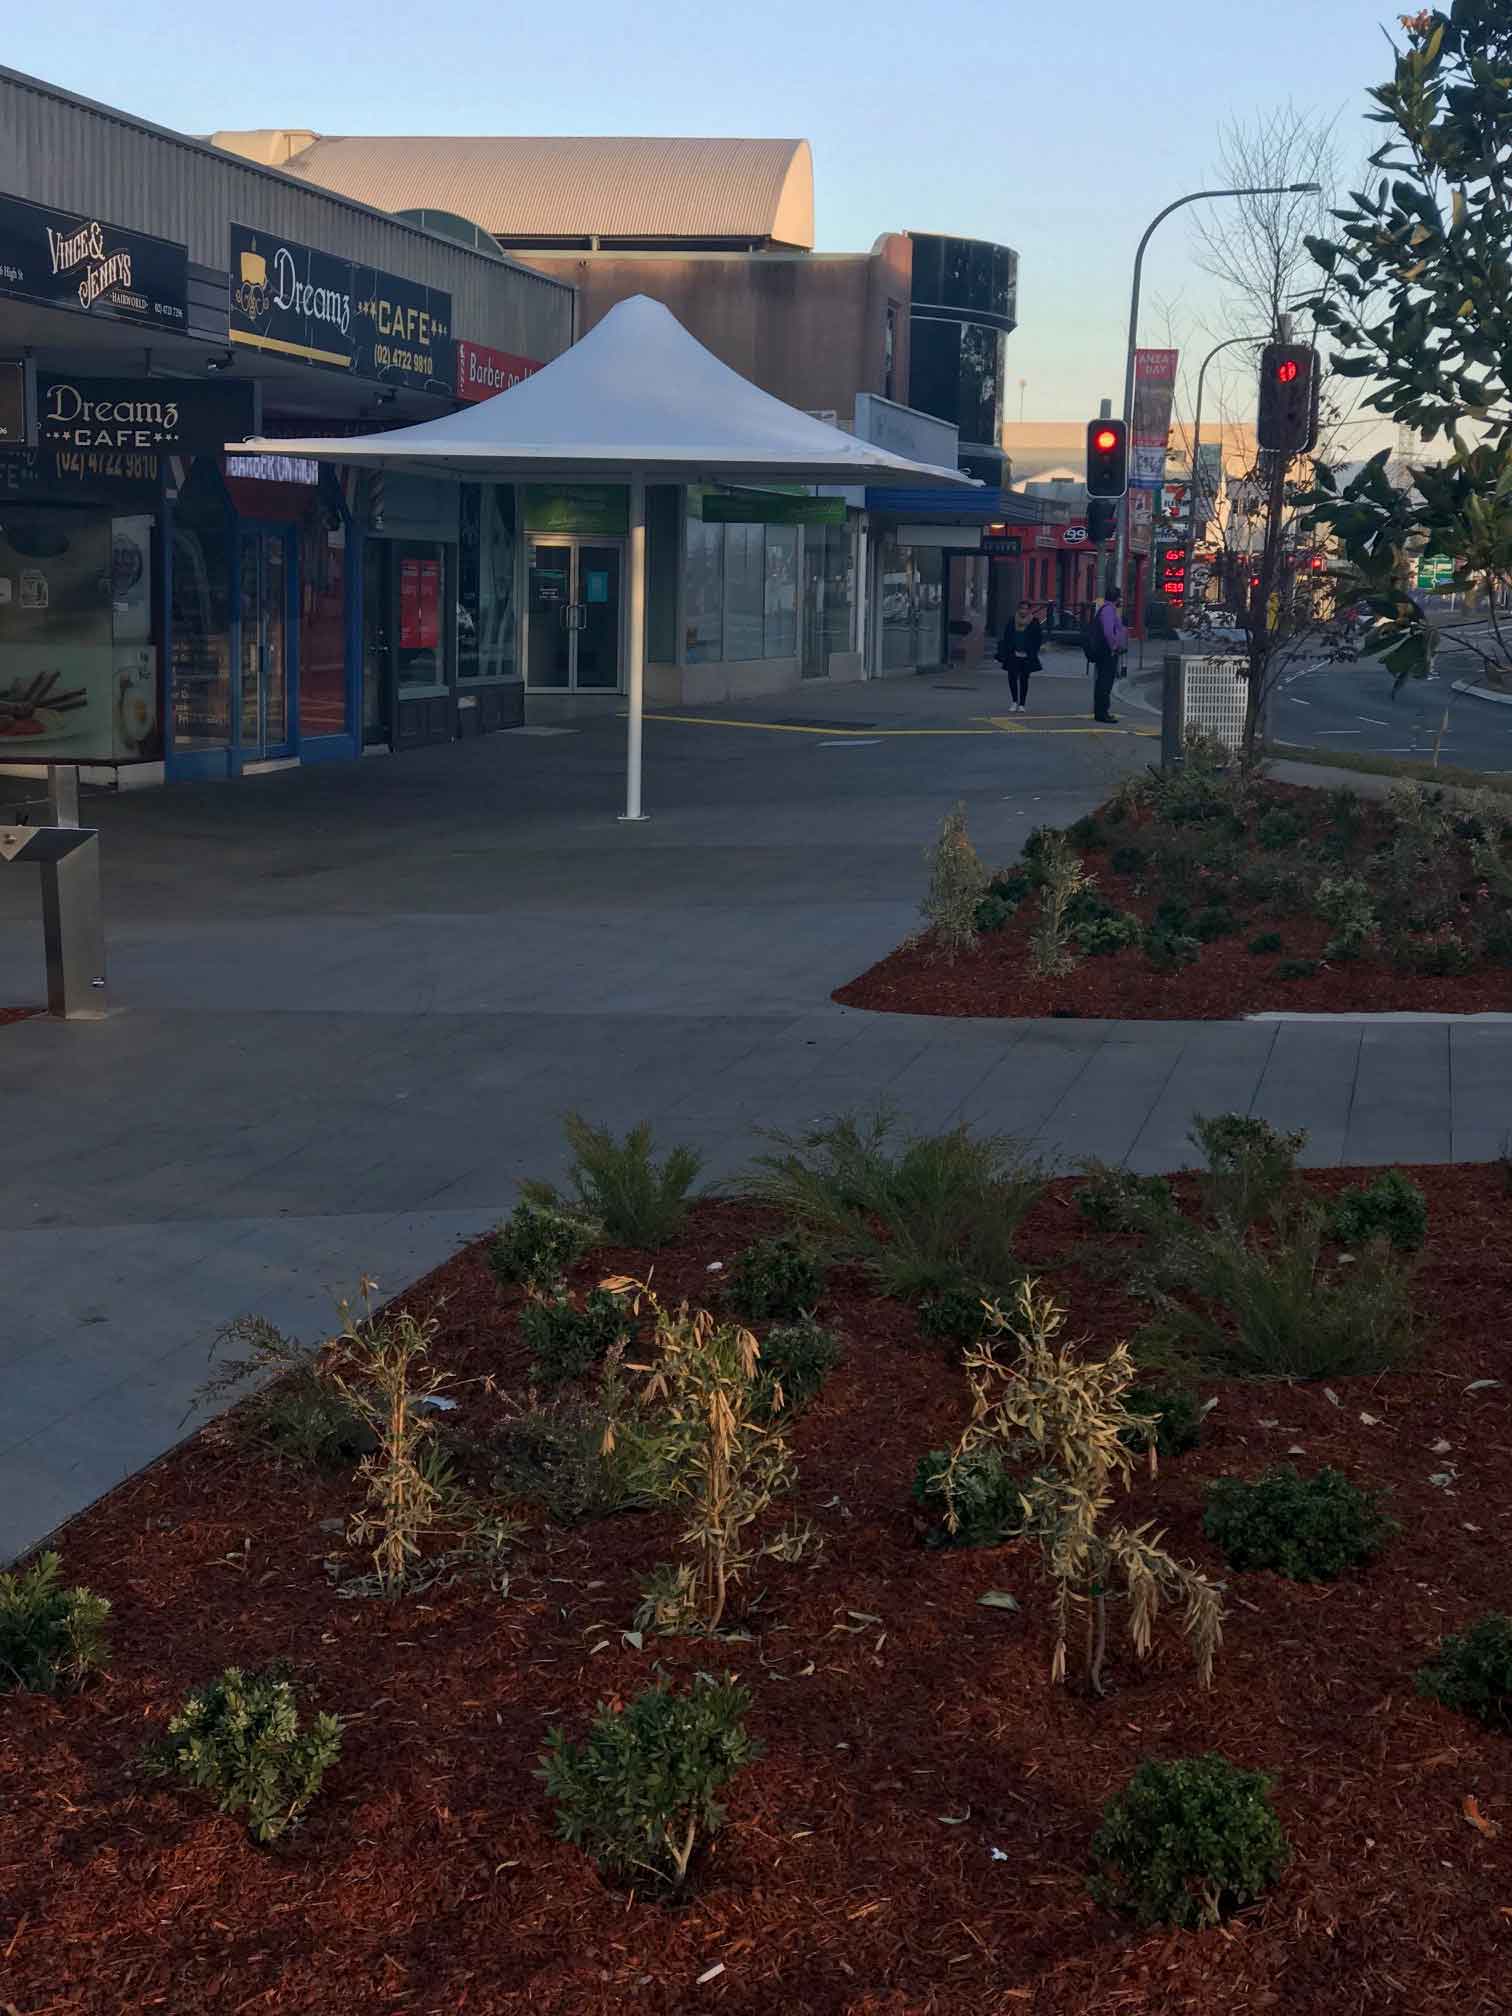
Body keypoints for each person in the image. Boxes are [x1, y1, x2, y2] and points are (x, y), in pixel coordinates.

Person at [1087, 588, 1128, 724]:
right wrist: (1114, 647)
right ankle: (1102, 712)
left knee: (1103, 681)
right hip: (1107, 652)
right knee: (1105, 682)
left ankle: (1101, 711)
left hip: (1107, 651)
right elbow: (1109, 632)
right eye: (1120, 598)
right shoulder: (1108, 611)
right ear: (1117, 598)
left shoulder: (1107, 610)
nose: (1121, 600)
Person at [996, 599, 1042, 712]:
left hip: (1027, 655)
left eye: (1026, 608)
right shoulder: (1012, 621)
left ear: (1029, 610)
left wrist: (1032, 651)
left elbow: (1038, 639)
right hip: (1013, 654)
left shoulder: (1034, 621)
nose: (1023, 611)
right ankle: (1014, 701)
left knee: (1024, 679)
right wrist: (1008, 650)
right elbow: (1007, 636)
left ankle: (1022, 704)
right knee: (1012, 678)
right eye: (1021, 608)